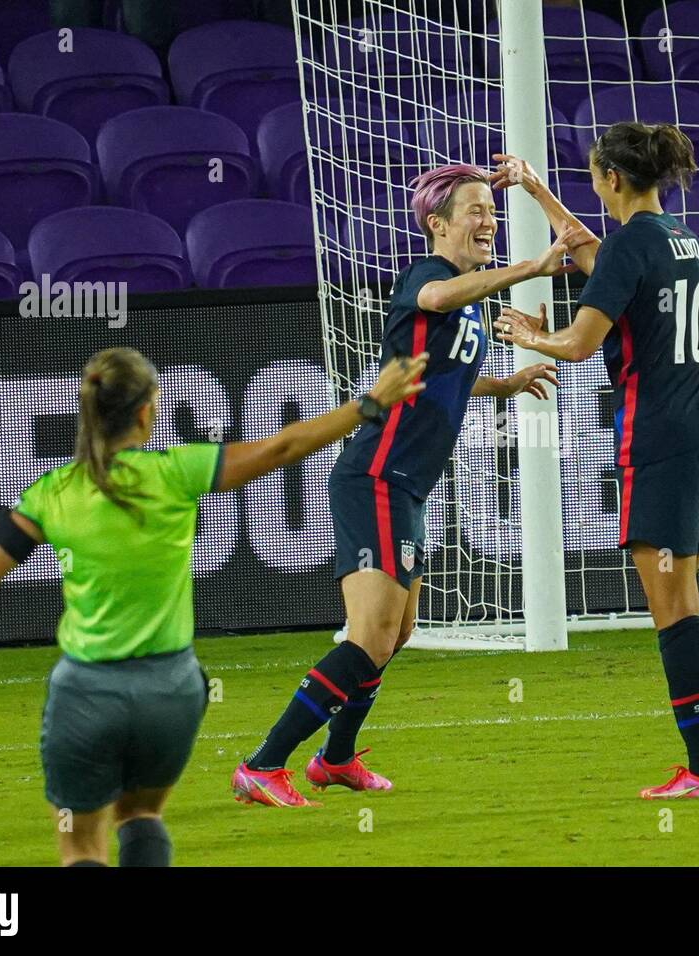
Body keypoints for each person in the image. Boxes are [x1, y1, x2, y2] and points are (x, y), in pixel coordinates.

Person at [0, 345, 428, 864]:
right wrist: (369, 404)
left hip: (86, 691)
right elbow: (284, 447)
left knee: (81, 842)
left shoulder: (53, 491)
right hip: (170, 690)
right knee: (141, 818)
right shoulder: (177, 470)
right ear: (147, 412)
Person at [231, 164, 580, 807]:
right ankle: (262, 764)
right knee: (368, 637)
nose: (488, 220)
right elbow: (434, 302)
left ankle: (334, 760)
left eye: (491, 210)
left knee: (398, 633)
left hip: (408, 487)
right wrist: (533, 266)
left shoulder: (469, 302)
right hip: (376, 477)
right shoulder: (432, 278)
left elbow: (438, 375)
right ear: (436, 224)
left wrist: (499, 385)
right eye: (474, 210)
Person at [493, 125, 699, 799]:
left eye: (592, 175)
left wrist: (532, 336)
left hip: (660, 439)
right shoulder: (678, 238)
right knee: (689, 595)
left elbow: (582, 345)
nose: (592, 185)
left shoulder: (630, 248)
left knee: (668, 608)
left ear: (611, 179)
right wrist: (536, 191)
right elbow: (595, 253)